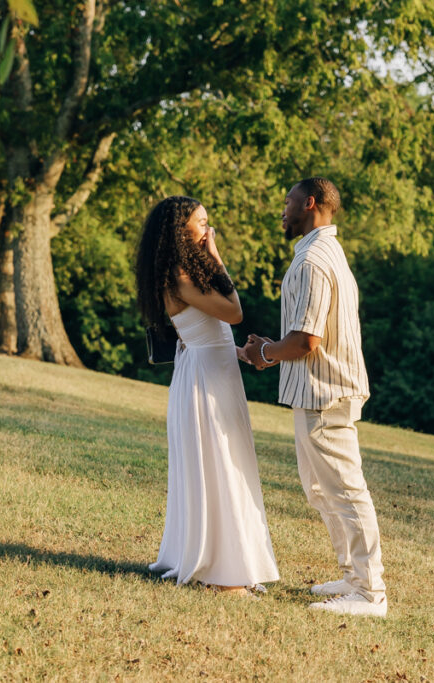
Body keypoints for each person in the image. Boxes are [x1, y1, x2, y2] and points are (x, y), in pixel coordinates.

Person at [243, 177, 387, 617]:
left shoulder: (314, 259)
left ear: (309, 203)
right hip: (315, 391)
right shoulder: (323, 251)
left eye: (288, 202)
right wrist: (272, 348)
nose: (282, 210)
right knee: (322, 490)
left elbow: (307, 340)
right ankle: (352, 576)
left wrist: (263, 354)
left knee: (345, 490)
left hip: (325, 393)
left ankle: (370, 593)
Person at [135, 195, 279, 596]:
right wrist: (216, 258)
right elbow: (234, 312)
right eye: (201, 223)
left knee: (229, 463)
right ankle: (224, 574)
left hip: (217, 372)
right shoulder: (179, 276)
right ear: (179, 230)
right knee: (219, 467)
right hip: (206, 382)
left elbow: (208, 331)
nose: (208, 229)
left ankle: (233, 564)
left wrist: (238, 352)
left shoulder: (183, 272)